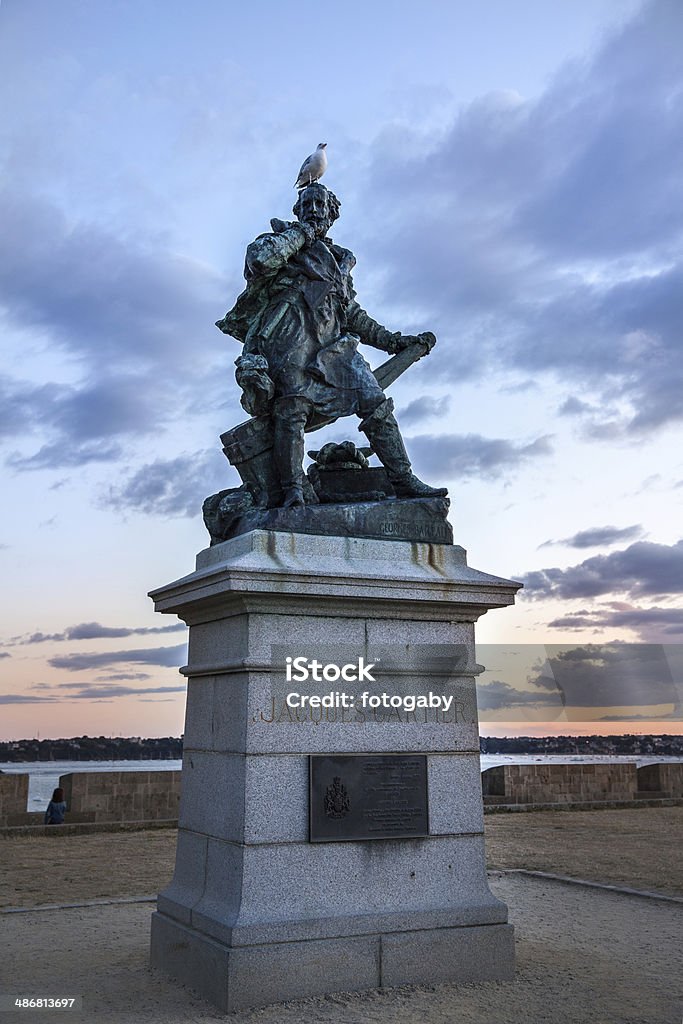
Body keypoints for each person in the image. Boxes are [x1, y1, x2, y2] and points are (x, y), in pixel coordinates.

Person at [217, 182, 447, 508]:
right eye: (307, 203)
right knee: (291, 410)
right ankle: (294, 491)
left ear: (331, 212)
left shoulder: (338, 260)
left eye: (319, 204)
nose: (313, 208)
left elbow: (350, 313)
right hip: (289, 340)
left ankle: (404, 479)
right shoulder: (277, 242)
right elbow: (262, 262)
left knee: (374, 400)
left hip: (334, 351)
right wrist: (304, 234)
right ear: (297, 211)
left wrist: (393, 341)